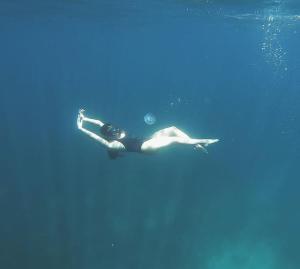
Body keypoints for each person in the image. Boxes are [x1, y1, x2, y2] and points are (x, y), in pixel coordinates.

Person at [77, 109, 219, 159]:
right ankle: (204, 141)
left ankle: (196, 146)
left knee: (173, 128)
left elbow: (100, 123)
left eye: (112, 127)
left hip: (147, 139)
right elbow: (94, 137)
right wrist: (80, 128)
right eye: (111, 130)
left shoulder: (114, 131)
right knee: (173, 139)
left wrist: (84, 118)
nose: (114, 129)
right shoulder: (112, 145)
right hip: (146, 148)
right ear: (108, 136)